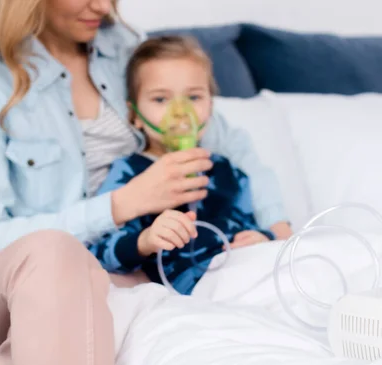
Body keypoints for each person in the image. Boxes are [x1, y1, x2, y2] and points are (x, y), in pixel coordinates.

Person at [0, 0, 291, 365]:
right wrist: (122, 204)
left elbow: (232, 146)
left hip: (113, 281)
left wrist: (277, 234)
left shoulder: (127, 50)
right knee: (55, 252)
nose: (102, 7)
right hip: (1, 293)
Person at [91, 36, 280, 295]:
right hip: (193, 294)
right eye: (161, 99)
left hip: (248, 277)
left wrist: (263, 239)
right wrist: (145, 241)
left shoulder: (229, 173)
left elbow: (250, 226)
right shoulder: (129, 174)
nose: (180, 112)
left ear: (210, 106)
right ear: (134, 115)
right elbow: (101, 252)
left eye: (193, 97)